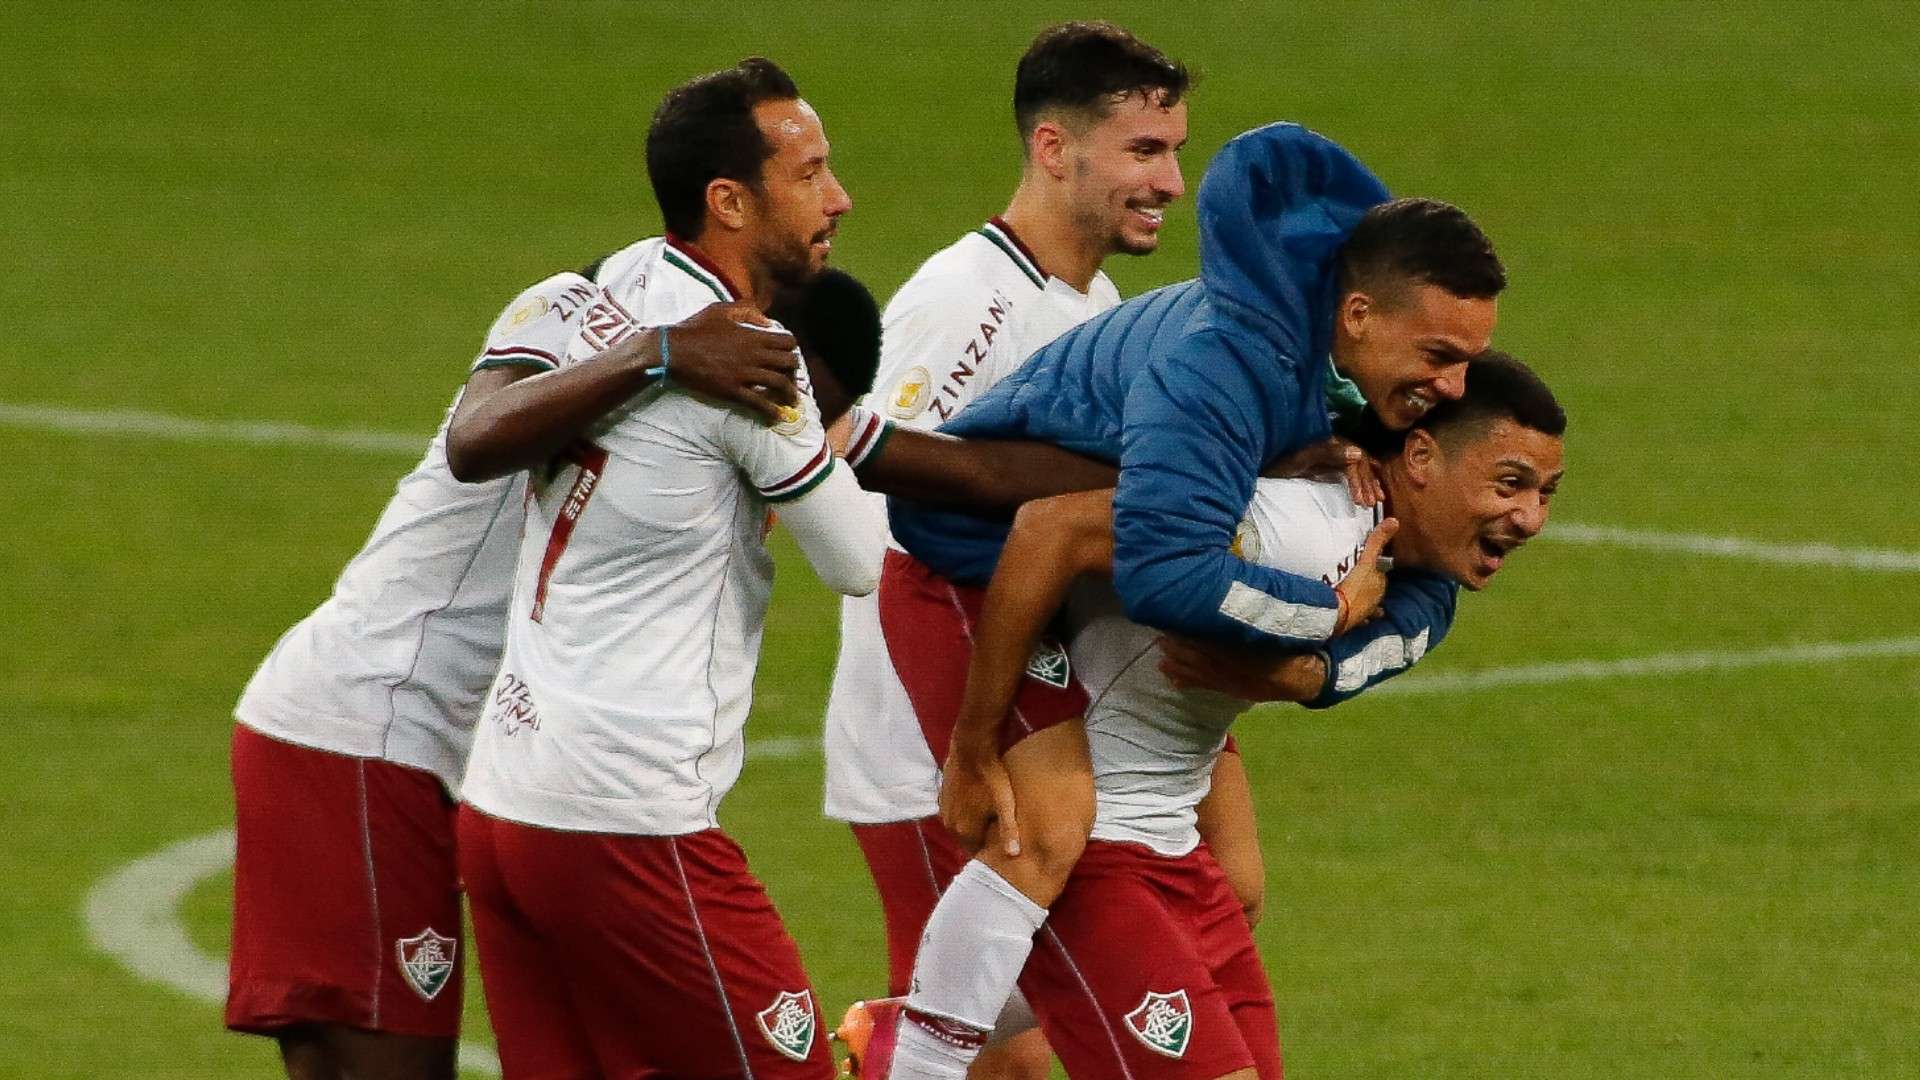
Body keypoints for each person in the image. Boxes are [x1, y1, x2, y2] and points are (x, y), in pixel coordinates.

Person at [874, 123, 1509, 1077]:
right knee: (1048, 823)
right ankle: (911, 1058)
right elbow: (1149, 567)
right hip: (971, 570)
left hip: (1073, 589)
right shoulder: (1227, 362)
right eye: (1439, 354)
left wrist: (1310, 663)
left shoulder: (1334, 383)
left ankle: (999, 1045)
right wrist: (1323, 623)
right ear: (1360, 314)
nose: (1453, 386)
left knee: (1236, 883)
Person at [860, 352, 1566, 1079]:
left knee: (1241, 889)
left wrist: (1295, 663)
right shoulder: (1300, 525)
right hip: (1101, 843)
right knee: (1053, 849)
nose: (1531, 518)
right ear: (1419, 455)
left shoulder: (1420, 589)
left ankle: (904, 1039)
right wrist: (974, 743)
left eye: (1547, 493)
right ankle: (914, 1059)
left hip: (1169, 839)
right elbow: (1057, 531)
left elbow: (1330, 669)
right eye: (1509, 483)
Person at [224, 214, 808, 1080]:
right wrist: (660, 353)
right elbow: (472, 442)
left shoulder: (639, 341)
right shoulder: (589, 317)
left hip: (413, 753)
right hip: (368, 728)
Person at [453, 57, 884, 1080]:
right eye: (811, 172)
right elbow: (860, 560)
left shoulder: (597, 293)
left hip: (505, 803)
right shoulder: (750, 358)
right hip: (626, 824)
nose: (840, 197)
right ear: (729, 201)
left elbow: (476, 437)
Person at [820, 22, 1200, 1079]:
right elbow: (874, 489)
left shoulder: (1095, 304)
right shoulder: (968, 301)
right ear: (1052, 148)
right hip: (934, 745)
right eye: (1143, 151)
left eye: (1174, 150)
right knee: (989, 1053)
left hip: (1028, 728)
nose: (1171, 180)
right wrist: (961, 738)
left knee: (991, 1041)